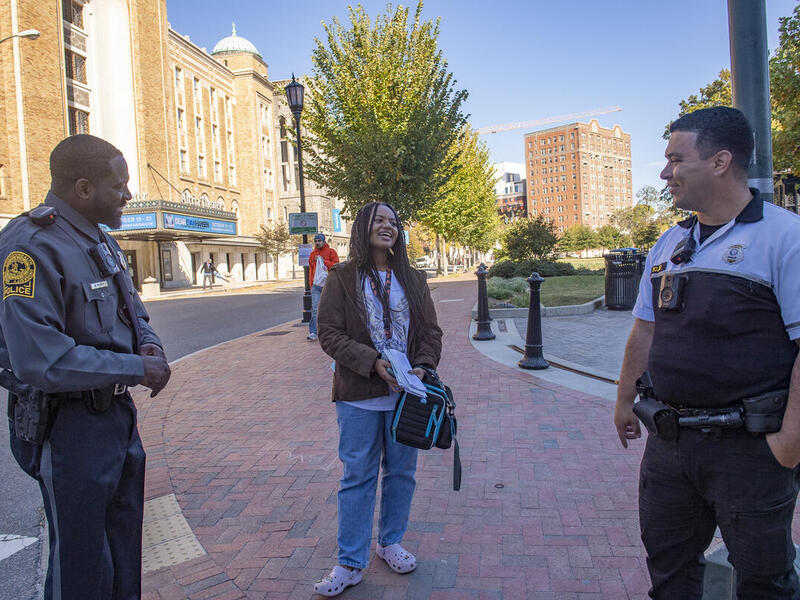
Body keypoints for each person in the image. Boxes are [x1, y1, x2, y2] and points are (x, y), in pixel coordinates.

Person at [614, 107, 800, 598]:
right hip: (669, 443)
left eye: (676, 159)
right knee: (669, 572)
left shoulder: (785, 236)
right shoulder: (671, 242)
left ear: (720, 161)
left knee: (765, 581)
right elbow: (645, 329)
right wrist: (623, 400)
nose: (663, 172)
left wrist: (789, 442)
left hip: (750, 452)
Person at [0, 134, 171, 600]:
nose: (129, 196)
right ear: (82, 188)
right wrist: (136, 368)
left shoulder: (99, 239)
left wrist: (149, 347)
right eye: (119, 186)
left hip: (115, 419)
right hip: (68, 428)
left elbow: (135, 312)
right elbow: (42, 359)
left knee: (123, 556)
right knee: (81, 567)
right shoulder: (29, 245)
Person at [314, 202, 442, 596]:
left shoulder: (413, 279)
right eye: (379, 220)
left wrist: (421, 367)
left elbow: (431, 333)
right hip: (358, 395)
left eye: (393, 221)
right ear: (362, 228)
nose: (387, 226)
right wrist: (372, 363)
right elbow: (329, 333)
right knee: (358, 476)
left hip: (408, 396)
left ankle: (390, 542)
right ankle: (350, 562)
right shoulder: (342, 277)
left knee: (402, 473)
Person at [307, 232, 339, 341]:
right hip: (316, 285)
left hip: (328, 284)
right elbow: (311, 269)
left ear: (324, 241)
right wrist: (311, 283)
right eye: (315, 241)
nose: (317, 243)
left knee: (329, 308)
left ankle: (332, 331)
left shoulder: (331, 252)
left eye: (319, 241)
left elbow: (336, 265)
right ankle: (314, 332)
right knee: (315, 309)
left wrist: (324, 261)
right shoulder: (312, 254)